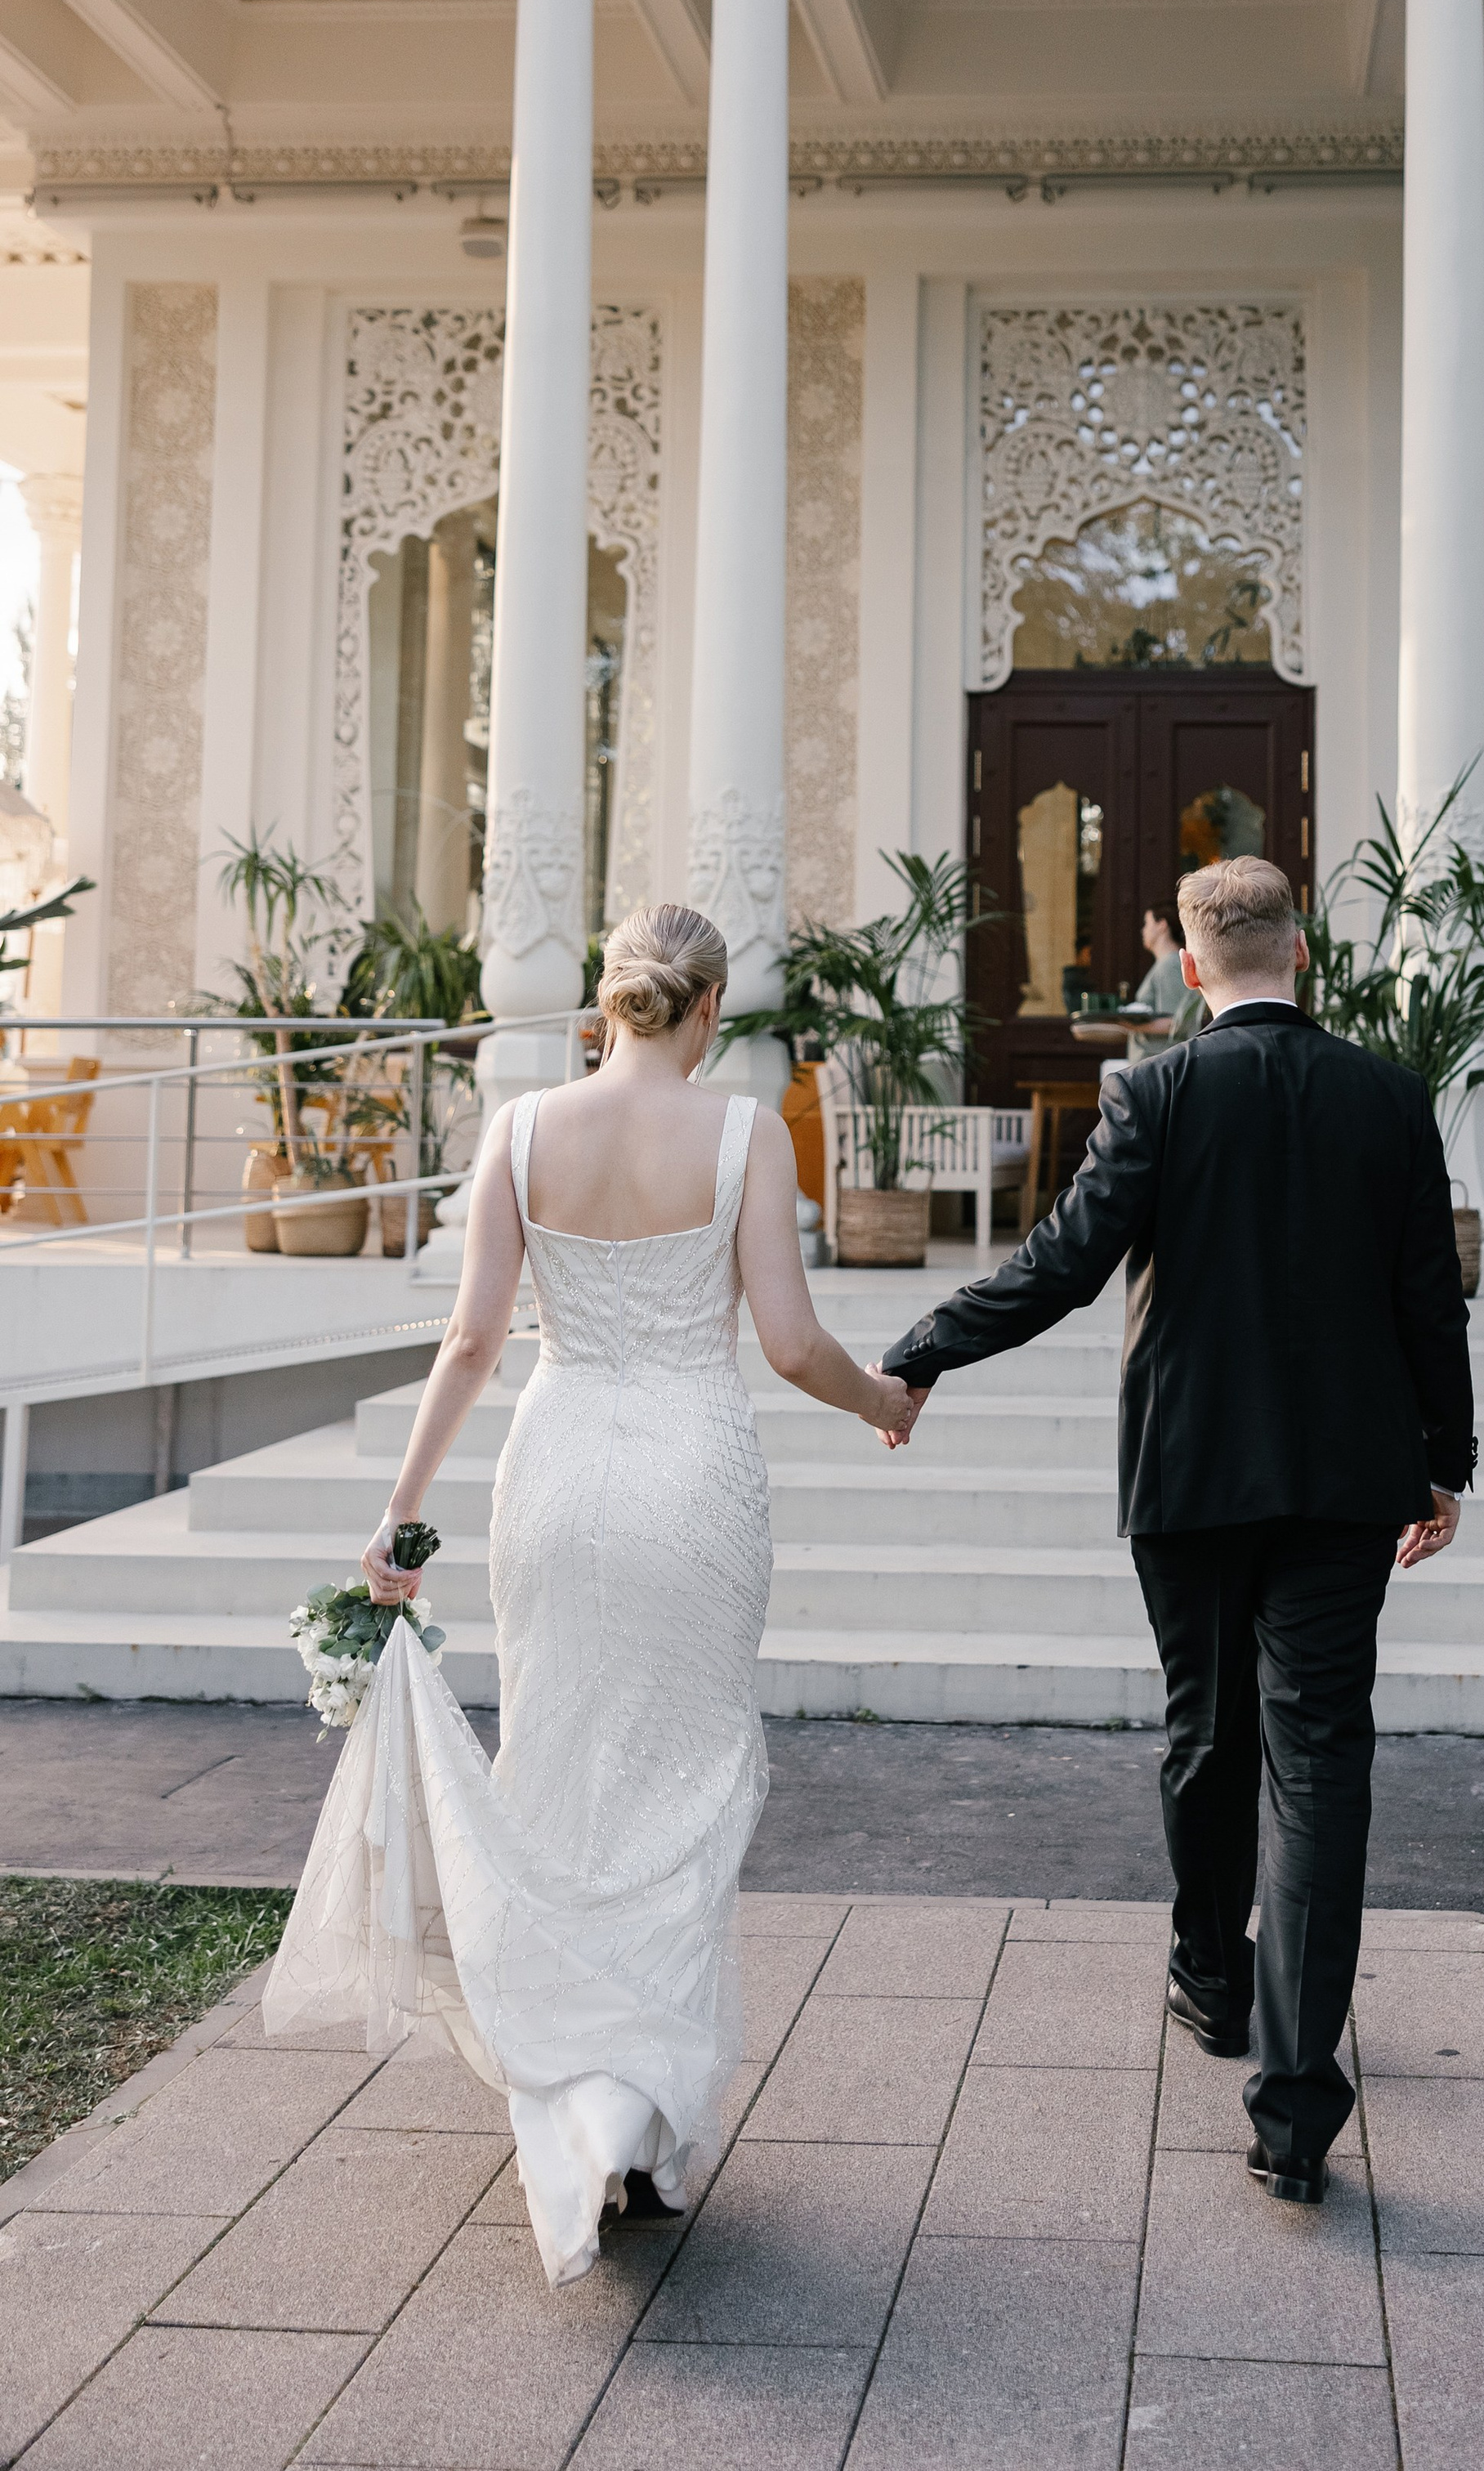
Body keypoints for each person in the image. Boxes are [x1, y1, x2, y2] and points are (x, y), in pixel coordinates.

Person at [261, 902, 914, 2288]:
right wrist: (882, 1404)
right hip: (690, 1477)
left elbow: (476, 1335)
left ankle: (576, 2101)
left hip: (553, 1477)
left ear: (612, 998)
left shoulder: (523, 1130)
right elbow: (791, 1344)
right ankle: (638, 2115)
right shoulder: (749, 1133)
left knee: (558, 1767)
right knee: (679, 1779)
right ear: (709, 1005)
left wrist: (399, 1514)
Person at [880, 852, 1473, 2207]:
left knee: (1208, 1732)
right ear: (1303, 952)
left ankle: (1212, 1983)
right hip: (1343, 1484)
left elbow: (1062, 1267)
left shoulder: (1157, 1087)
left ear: (1191, 968)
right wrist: (1448, 1461)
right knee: (1319, 1764)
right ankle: (1294, 2109)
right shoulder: (1387, 1097)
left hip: (1192, 1476)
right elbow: (1427, 1295)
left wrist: (924, 1350)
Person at [1124, 902, 1189, 1061]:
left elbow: (1175, 1023)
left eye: (1147, 923)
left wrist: (1123, 1024)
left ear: (1162, 925)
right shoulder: (1169, 963)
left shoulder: (1170, 965)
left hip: (1160, 1065)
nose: (1143, 930)